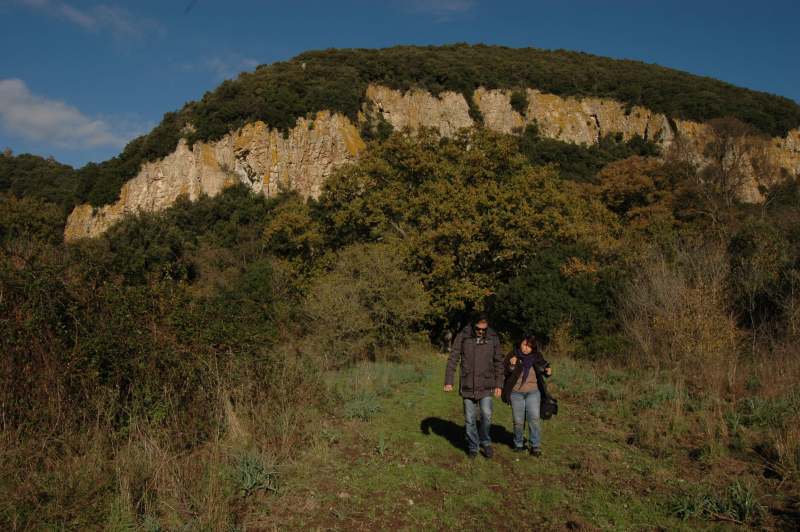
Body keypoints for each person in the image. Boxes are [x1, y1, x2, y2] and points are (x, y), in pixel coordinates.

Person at [444, 313, 504, 459]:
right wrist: (448, 380)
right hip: (467, 384)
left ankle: (485, 441)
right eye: (478, 329)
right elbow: (453, 358)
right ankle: (473, 446)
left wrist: (499, 384)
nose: (481, 332)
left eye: (484, 329)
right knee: (470, 419)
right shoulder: (463, 336)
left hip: (486, 384)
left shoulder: (493, 337)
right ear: (473, 326)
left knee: (486, 415)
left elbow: (498, 361)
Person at [502, 335, 552, 456]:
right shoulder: (512, 355)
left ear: (533, 348)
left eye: (529, 346)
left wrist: (549, 371)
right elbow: (504, 372)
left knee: (534, 419)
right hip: (516, 393)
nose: (526, 348)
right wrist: (512, 366)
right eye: (524, 345)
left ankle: (535, 446)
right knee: (518, 421)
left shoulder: (537, 356)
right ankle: (518, 444)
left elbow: (545, 367)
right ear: (520, 343)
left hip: (533, 392)